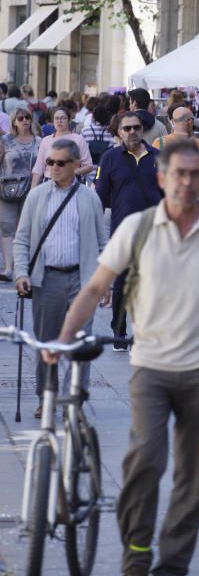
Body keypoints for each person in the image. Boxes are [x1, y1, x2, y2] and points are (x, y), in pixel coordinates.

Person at [50, 138, 199, 576]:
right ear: (162, 179)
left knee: (192, 474)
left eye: (195, 175)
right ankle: (137, 553)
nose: (186, 182)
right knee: (145, 458)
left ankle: (172, 566)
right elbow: (93, 288)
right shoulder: (138, 229)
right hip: (151, 366)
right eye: (178, 174)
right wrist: (62, 339)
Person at [13, 139, 107, 418]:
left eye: (60, 162)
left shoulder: (90, 198)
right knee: (47, 342)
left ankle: (73, 400)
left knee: (80, 344)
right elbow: (21, 240)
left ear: (76, 165)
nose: (52, 167)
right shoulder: (37, 196)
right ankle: (47, 398)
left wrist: (105, 282)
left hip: (82, 279)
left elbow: (102, 243)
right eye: (49, 162)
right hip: (47, 280)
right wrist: (20, 273)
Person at [95, 112, 163, 346]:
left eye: (136, 127)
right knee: (122, 282)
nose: (132, 131)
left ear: (142, 129)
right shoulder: (110, 159)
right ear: (119, 132)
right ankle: (119, 331)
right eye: (127, 128)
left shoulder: (158, 157)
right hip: (122, 230)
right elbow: (100, 195)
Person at [0, 110, 41, 281]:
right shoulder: (5, 140)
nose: (25, 121)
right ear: (14, 122)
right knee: (6, 228)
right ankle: (9, 268)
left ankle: (24, 268)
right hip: (7, 189)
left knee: (28, 229)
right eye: (20, 118)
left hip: (32, 189)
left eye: (28, 118)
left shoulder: (39, 142)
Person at [153, 105, 199, 200]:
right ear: (190, 122)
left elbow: (153, 175)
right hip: (192, 200)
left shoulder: (159, 143)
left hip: (166, 199)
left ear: (172, 122)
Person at [31, 106, 93, 187]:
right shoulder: (46, 141)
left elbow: (89, 166)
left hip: (71, 182)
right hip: (50, 183)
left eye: (63, 118)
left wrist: (73, 172)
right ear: (52, 121)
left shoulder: (78, 139)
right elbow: (38, 169)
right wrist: (32, 192)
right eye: (56, 118)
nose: (59, 121)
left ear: (69, 120)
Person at [80, 102, 114, 183]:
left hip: (88, 171)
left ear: (93, 116)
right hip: (104, 171)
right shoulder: (110, 132)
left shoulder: (85, 131)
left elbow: (80, 151)